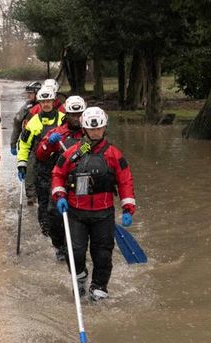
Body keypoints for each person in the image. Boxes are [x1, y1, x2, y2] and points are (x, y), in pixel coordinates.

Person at [51, 106, 136, 301]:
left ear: (104, 128)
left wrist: (128, 208)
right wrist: (60, 195)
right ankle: (80, 276)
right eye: (92, 129)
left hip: (103, 213)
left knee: (103, 254)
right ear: (84, 129)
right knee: (75, 250)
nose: (96, 132)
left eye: (99, 129)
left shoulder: (114, 154)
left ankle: (99, 286)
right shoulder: (74, 152)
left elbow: (125, 181)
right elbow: (57, 174)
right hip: (76, 212)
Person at [34, 95, 87, 261]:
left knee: (80, 216)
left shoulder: (90, 133)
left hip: (83, 181)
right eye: (73, 115)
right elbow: (40, 155)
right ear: (67, 114)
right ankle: (59, 245)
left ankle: (77, 246)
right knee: (54, 215)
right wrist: (49, 143)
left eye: (80, 115)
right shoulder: (57, 132)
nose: (77, 118)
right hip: (60, 180)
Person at [17, 86, 64, 241]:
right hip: (41, 169)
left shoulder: (64, 119)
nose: (46, 104)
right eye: (43, 101)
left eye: (48, 101)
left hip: (62, 168)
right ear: (39, 101)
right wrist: (22, 163)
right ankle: (46, 228)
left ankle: (61, 233)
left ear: (53, 101)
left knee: (58, 202)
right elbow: (24, 145)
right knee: (44, 202)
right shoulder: (33, 122)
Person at [11, 81, 41, 204]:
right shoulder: (26, 108)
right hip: (28, 142)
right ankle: (31, 196)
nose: (28, 96)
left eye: (31, 93)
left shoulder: (48, 106)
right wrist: (13, 143)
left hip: (45, 143)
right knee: (29, 169)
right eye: (27, 93)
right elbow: (17, 124)